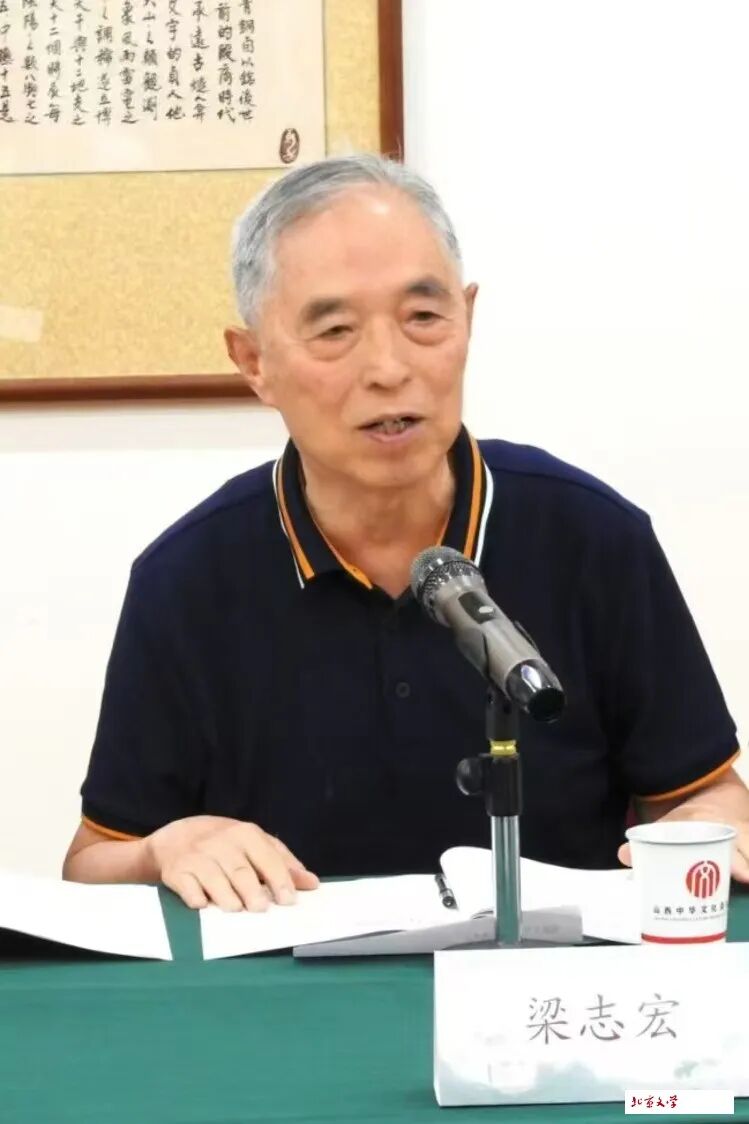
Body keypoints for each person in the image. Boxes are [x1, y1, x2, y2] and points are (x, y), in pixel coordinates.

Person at [63, 154, 748, 912]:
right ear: (253, 362)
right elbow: (93, 859)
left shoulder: (592, 536)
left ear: (467, 319)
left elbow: (707, 793)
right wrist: (161, 849)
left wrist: (708, 823)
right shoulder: (187, 578)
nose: (389, 368)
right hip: (285, 982)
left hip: (551, 980)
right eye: (335, 330)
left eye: (423, 318)